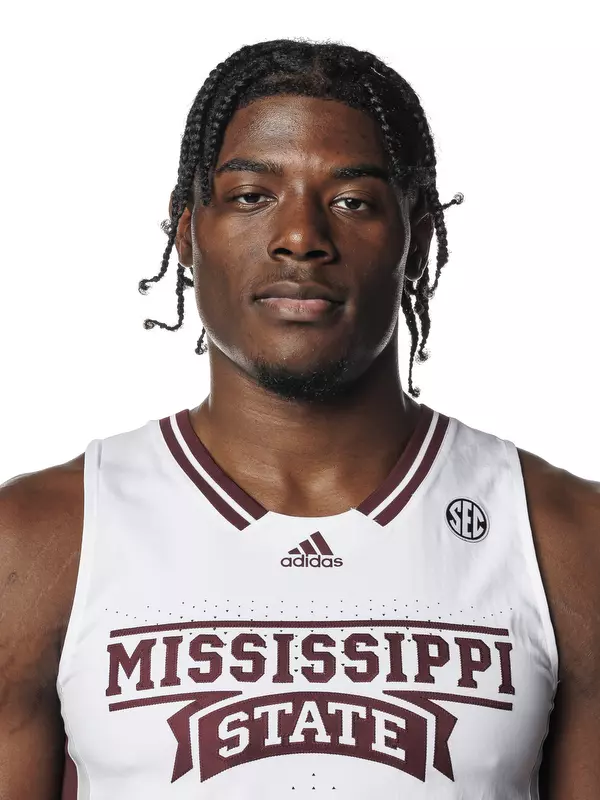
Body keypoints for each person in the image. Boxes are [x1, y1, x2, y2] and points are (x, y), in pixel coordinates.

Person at [0, 37, 598, 800]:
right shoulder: (39, 541)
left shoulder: (567, 539)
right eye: (252, 195)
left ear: (412, 237)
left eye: (352, 201)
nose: (301, 238)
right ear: (186, 231)